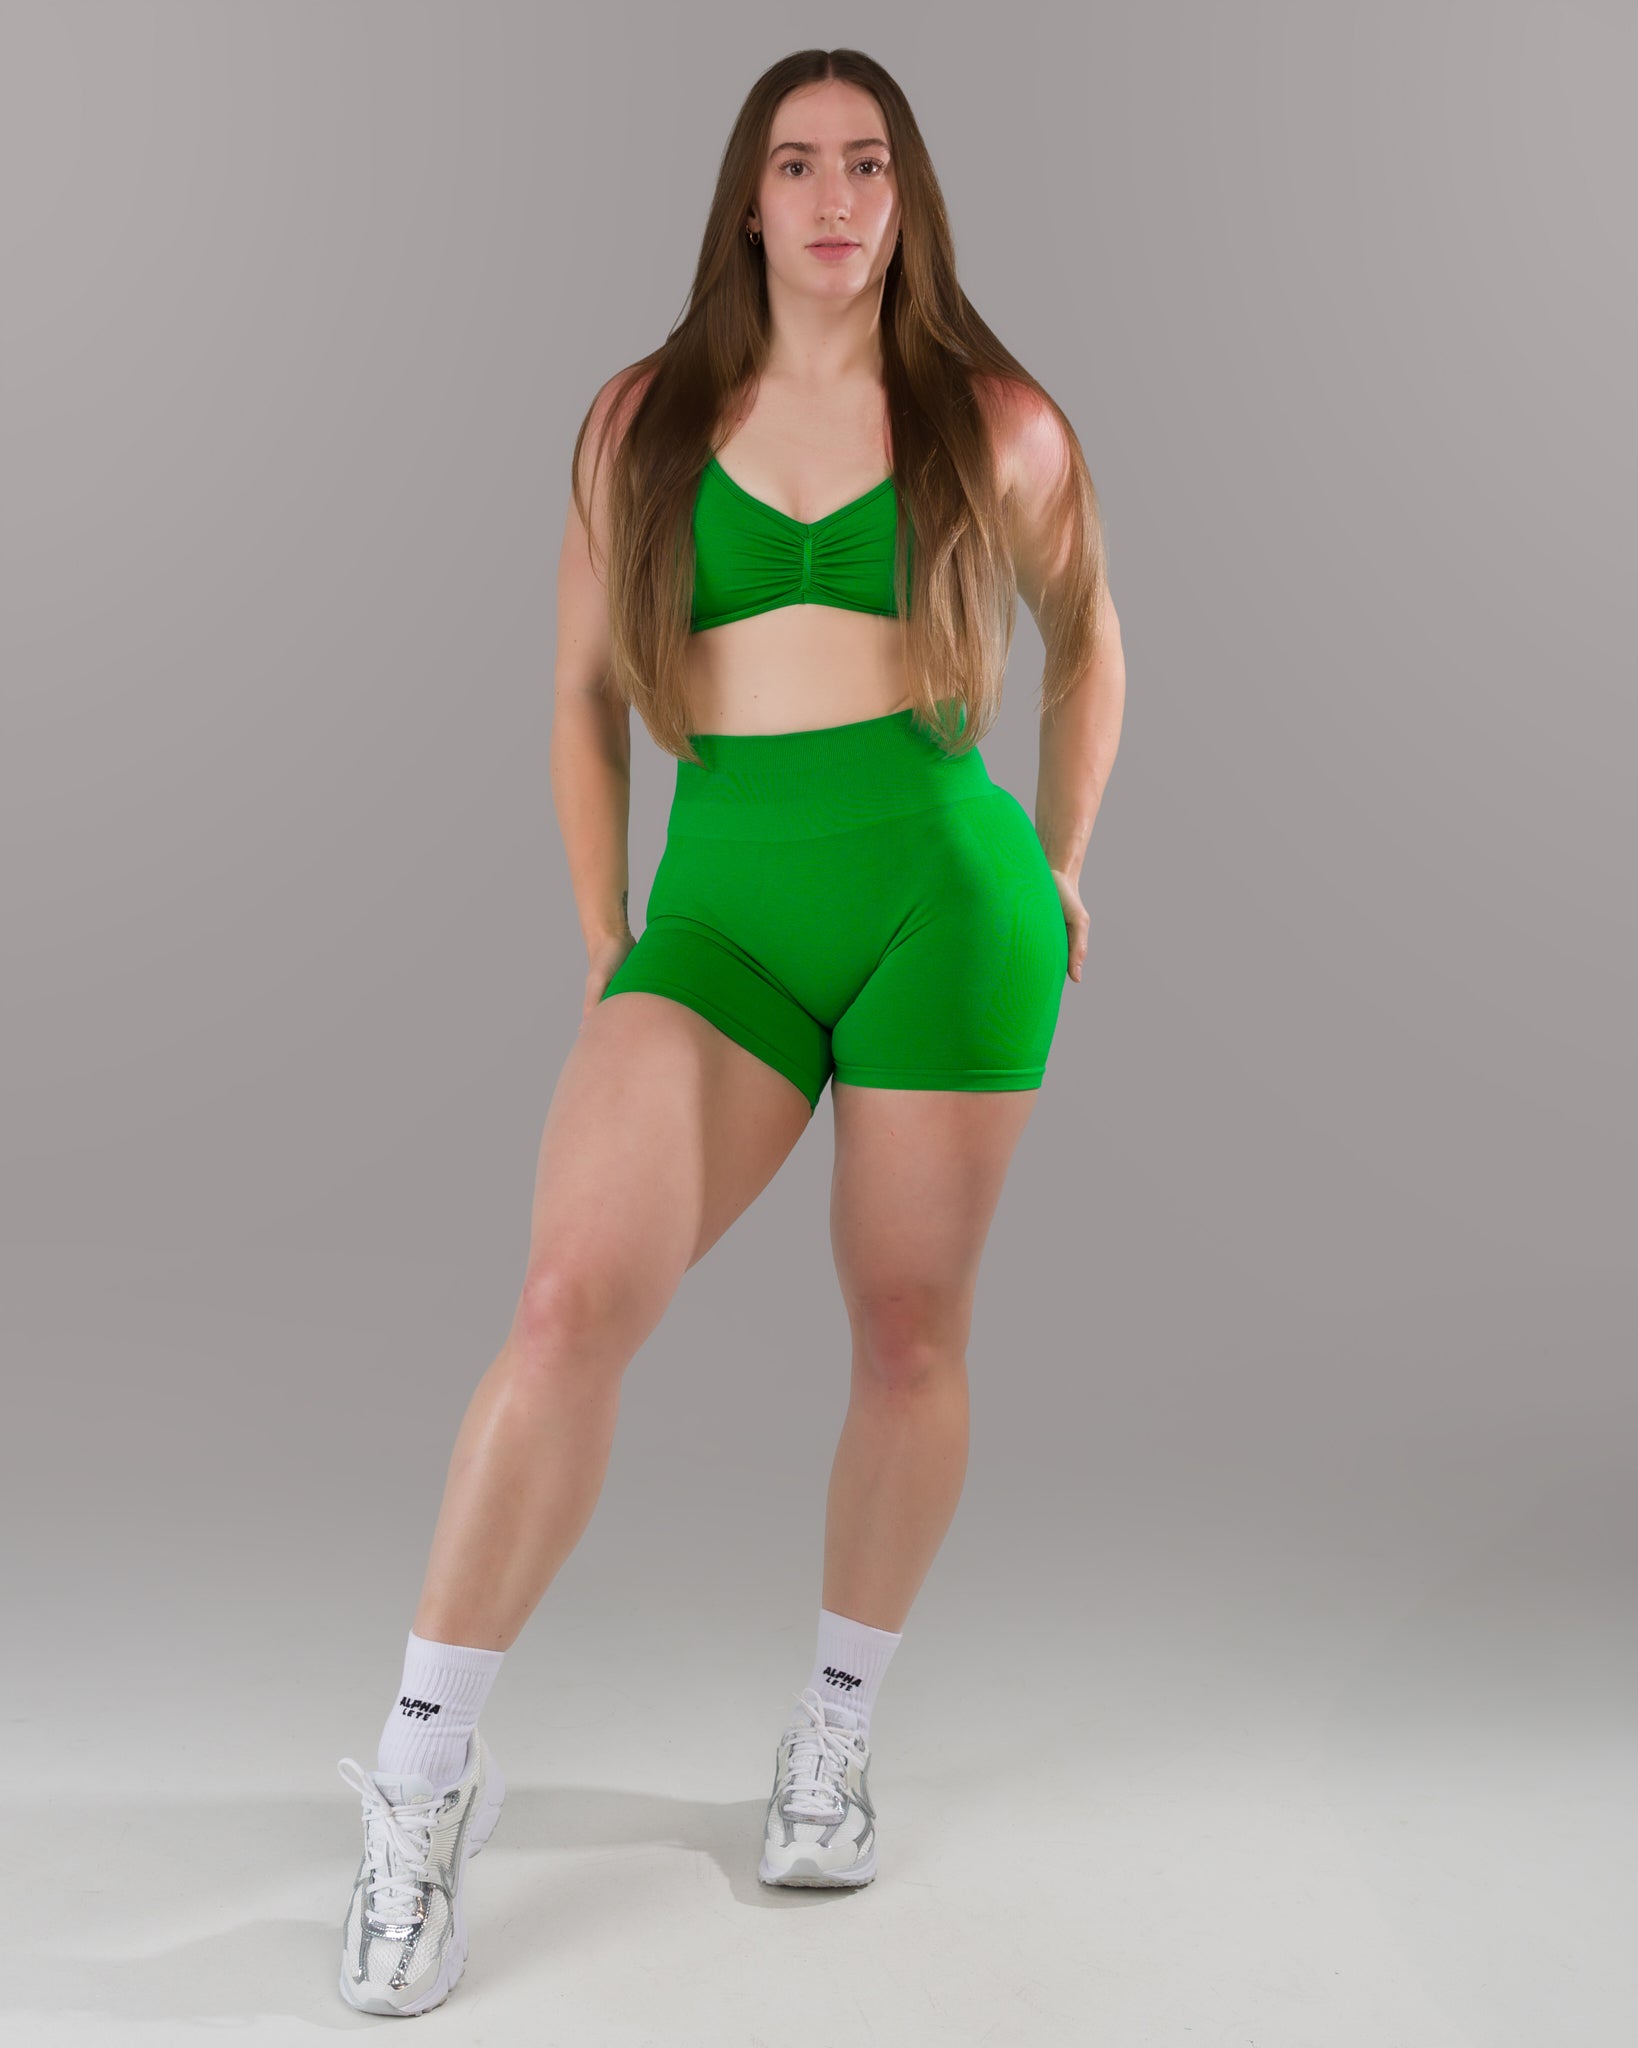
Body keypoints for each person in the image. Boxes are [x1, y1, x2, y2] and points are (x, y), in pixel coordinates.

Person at [334, 46, 1125, 2017]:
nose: (834, 199)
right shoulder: (642, 419)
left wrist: (1063, 859)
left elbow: (1091, 637)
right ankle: (421, 1779)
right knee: (565, 1303)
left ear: (905, 197)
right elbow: (575, 693)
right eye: (796, 164)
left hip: (945, 905)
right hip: (724, 917)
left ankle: (832, 1733)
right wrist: (610, 936)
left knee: (907, 1332)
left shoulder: (999, 422)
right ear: (747, 200)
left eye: (867, 164)